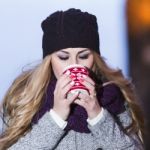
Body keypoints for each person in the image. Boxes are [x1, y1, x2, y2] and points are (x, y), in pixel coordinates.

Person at [0, 8, 144, 150]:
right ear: (49, 60)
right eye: (63, 57)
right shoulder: (26, 99)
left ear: (95, 58)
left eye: (83, 56)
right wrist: (56, 117)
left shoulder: (113, 98)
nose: (74, 64)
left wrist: (98, 116)